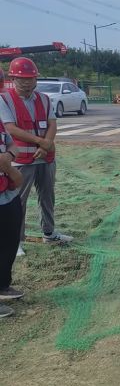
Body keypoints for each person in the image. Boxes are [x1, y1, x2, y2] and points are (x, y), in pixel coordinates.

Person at [0, 57, 72, 258]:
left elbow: (52, 124)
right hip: (21, 161)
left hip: (46, 158)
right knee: (18, 201)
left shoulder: (44, 99)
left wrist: (47, 143)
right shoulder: (5, 100)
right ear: (12, 78)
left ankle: (49, 232)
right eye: (22, 79)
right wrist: (42, 142)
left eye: (31, 78)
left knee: (47, 197)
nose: (27, 82)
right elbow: (11, 128)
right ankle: (16, 240)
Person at [0, 118, 24, 318]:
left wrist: (7, 158)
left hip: (6, 191)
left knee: (10, 240)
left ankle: (2, 285)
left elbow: (12, 145)